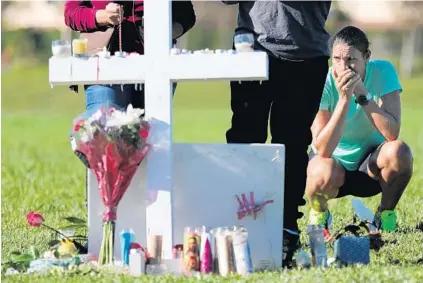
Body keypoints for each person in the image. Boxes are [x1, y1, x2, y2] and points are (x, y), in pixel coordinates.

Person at [221, 1, 332, 267]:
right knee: (244, 141)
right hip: (250, 52)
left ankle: (285, 228)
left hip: (305, 57)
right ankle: (239, 220)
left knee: (292, 147)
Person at [306, 26, 413, 240]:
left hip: (370, 167)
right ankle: (319, 213)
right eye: (336, 59)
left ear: (367, 57)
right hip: (334, 166)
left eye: (351, 60)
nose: (343, 67)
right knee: (319, 169)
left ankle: (385, 213)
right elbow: (323, 149)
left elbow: (391, 134)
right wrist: (344, 100)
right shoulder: (323, 80)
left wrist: (362, 95)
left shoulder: (383, 71)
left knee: (399, 152)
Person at [64, 0, 196, 113]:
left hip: (155, 66)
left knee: (151, 137)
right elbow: (71, 13)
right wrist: (101, 16)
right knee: (106, 133)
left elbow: (186, 16)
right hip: (103, 64)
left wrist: (163, 32)